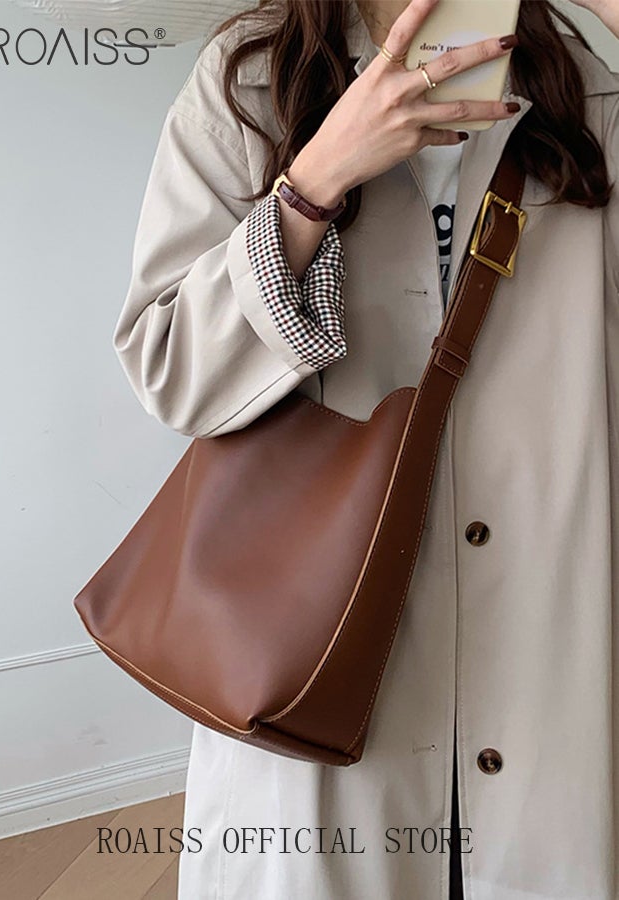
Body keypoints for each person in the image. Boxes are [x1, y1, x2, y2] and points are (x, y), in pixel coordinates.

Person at [111, 0, 619, 897]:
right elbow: (172, 371)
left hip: (552, 636)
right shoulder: (253, 78)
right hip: (321, 646)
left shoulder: (590, 87)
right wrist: (313, 185)